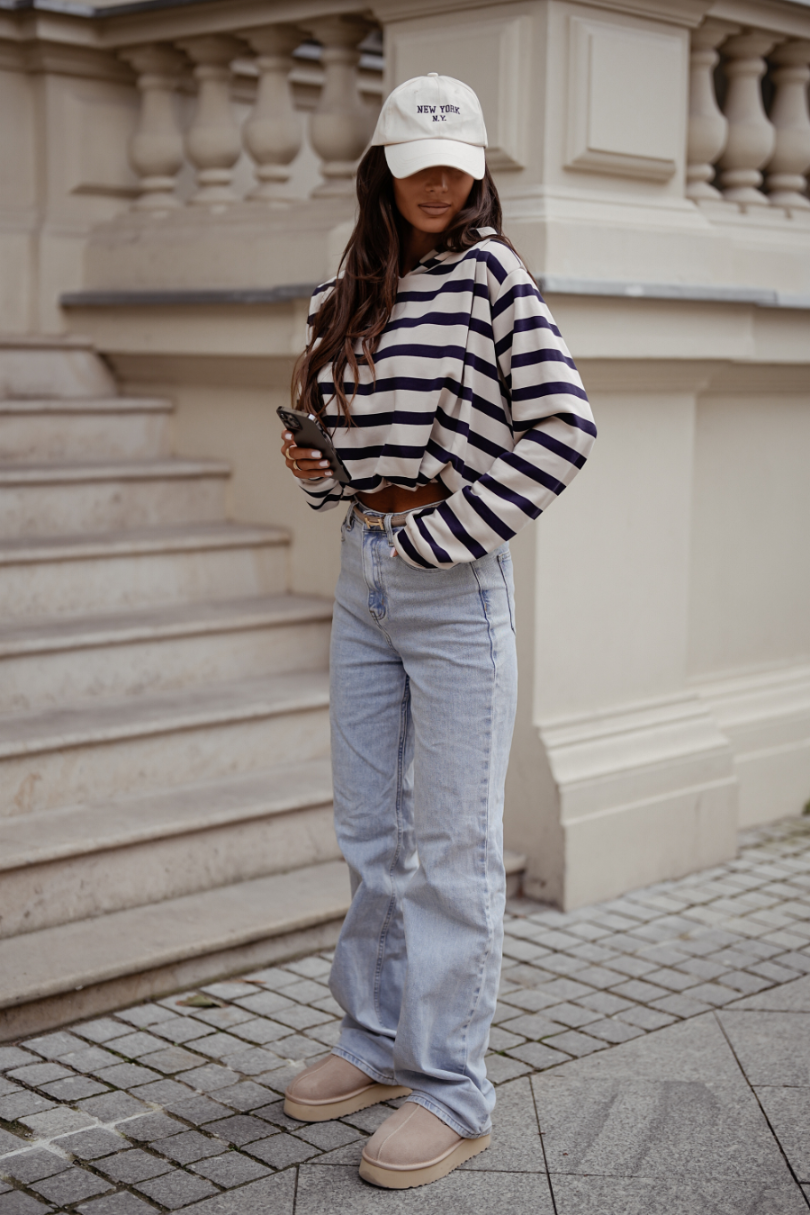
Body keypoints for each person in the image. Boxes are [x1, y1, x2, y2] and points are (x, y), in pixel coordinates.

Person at [279, 73, 595, 1190]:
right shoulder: (343, 292)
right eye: (421, 165)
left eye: (459, 166)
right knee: (371, 833)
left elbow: (564, 427)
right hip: (361, 577)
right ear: (385, 168)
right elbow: (343, 459)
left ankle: (454, 1090)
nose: (441, 184)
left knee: (455, 846)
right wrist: (316, 464)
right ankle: (373, 1044)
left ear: (478, 171)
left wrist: (441, 534)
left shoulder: (494, 277)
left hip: (454, 587)